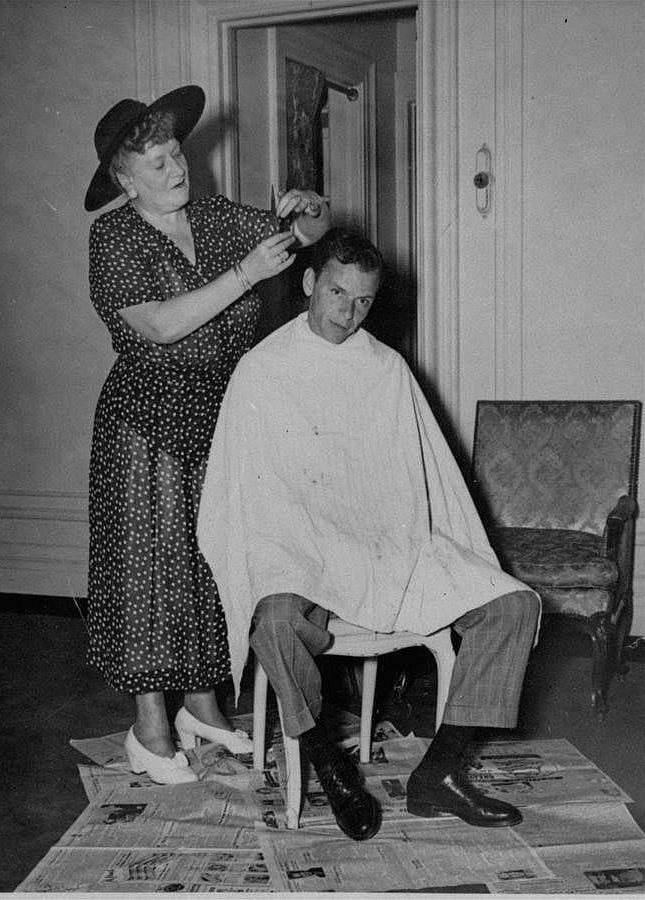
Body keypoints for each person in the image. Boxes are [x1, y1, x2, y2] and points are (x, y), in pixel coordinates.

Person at [197, 228, 540, 839]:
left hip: (385, 544)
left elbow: (419, 480)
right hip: (298, 547)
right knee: (274, 618)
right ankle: (326, 758)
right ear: (308, 283)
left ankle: (441, 771)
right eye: (335, 292)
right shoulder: (263, 370)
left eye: (361, 301)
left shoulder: (387, 369)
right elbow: (247, 495)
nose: (345, 312)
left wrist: (389, 542)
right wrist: (304, 543)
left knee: (512, 605)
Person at [84, 84, 330, 785]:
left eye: (175, 154)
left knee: (206, 564)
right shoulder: (115, 236)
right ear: (125, 182)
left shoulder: (217, 216)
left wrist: (307, 209)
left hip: (219, 412)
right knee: (147, 570)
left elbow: (304, 234)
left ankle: (205, 707)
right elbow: (159, 325)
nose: (175, 168)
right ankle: (149, 724)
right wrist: (245, 273)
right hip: (145, 419)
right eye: (156, 163)